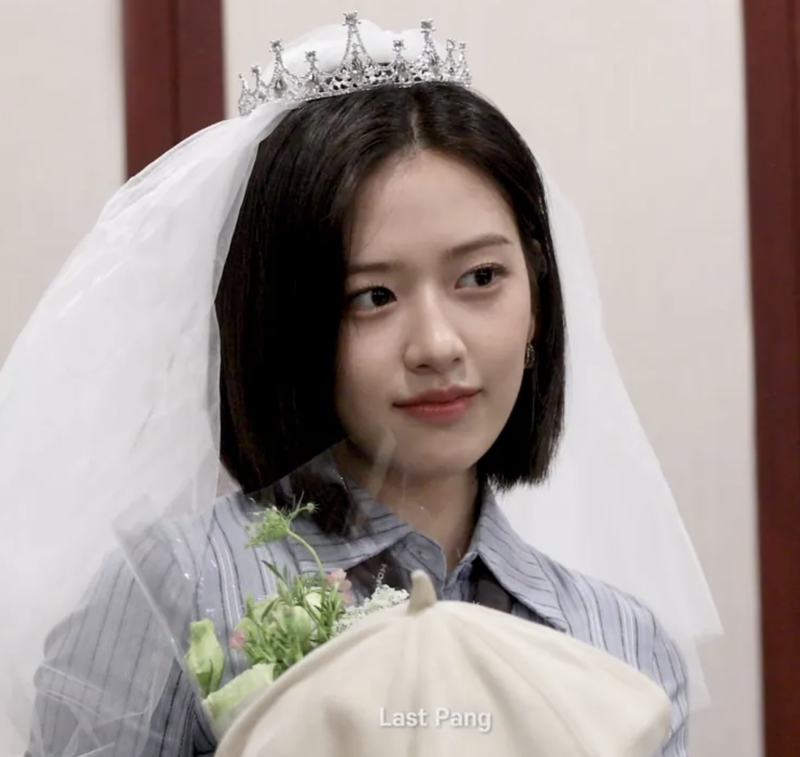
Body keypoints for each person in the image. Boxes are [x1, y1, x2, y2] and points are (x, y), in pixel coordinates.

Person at [0, 15, 719, 757]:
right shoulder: (176, 592)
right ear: (288, 322)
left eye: (481, 277)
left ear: (537, 295)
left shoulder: (621, 646)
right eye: (373, 296)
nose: (437, 345)